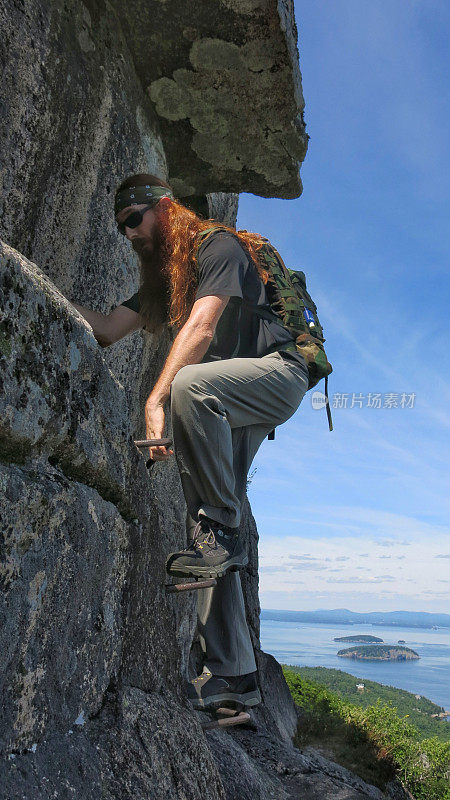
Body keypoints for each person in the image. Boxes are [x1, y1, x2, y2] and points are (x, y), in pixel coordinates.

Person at [72, 173, 309, 711]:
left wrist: (155, 401)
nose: (128, 234)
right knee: (206, 531)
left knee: (187, 387)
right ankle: (236, 682)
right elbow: (108, 328)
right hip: (230, 396)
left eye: (134, 220)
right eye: (119, 228)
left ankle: (224, 532)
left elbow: (202, 328)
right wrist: (42, 288)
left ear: (163, 208)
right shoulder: (168, 281)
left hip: (278, 373)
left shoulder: (218, 246)